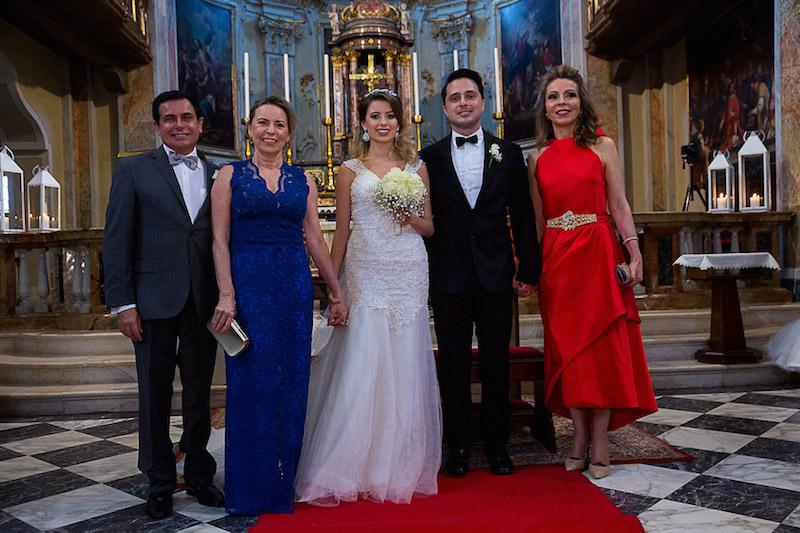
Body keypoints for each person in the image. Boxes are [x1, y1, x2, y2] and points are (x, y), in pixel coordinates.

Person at [295, 88, 442, 506]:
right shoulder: (350, 170)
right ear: (362, 123)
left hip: (407, 266)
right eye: (375, 116)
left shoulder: (417, 167)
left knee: (404, 358)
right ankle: (351, 464)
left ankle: (395, 464)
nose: (383, 122)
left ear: (399, 121)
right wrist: (334, 284)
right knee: (363, 356)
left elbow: (429, 227)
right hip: (365, 267)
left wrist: (406, 214)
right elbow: (341, 231)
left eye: (390, 116)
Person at [210, 96, 347, 515]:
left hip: (292, 288)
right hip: (248, 289)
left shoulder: (302, 180)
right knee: (251, 384)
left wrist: (335, 291)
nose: (271, 130)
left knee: (291, 382)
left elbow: (314, 237)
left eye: (279, 124)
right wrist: (227, 294)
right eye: (263, 122)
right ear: (250, 128)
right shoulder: (229, 175)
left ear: (289, 134)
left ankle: (281, 485)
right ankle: (248, 489)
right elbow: (219, 239)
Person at [526, 65, 657, 479]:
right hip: (558, 263)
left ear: (581, 102)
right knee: (569, 354)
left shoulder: (603, 147)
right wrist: (531, 268)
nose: (561, 102)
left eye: (569, 94)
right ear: (545, 108)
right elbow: (537, 222)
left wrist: (633, 252)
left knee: (600, 351)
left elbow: (619, 204)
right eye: (553, 97)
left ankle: (599, 440)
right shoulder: (536, 157)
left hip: (599, 255)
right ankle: (578, 436)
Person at [103, 90, 224, 519]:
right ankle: (159, 481)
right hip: (151, 302)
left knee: (199, 393)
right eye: (169, 118)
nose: (179, 124)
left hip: (203, 301)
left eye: (187, 117)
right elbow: (116, 239)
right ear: (157, 126)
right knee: (153, 395)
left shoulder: (220, 173)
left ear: (200, 124)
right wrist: (123, 304)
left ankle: (199, 474)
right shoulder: (133, 169)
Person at [420, 69, 540, 477]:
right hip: (448, 276)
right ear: (444, 108)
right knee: (452, 365)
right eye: (455, 98)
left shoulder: (508, 153)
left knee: (495, 364)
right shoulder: (428, 158)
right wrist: (424, 278)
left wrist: (529, 268)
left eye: (470, 95)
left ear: (483, 103)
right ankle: (457, 446)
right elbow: (424, 220)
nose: (463, 103)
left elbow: (522, 215)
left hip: (495, 274)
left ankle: (497, 445)